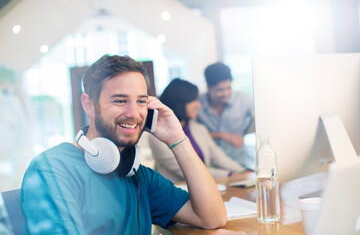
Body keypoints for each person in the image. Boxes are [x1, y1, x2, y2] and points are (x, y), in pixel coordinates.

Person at [20, 55, 227, 234]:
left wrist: (178, 139)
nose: (134, 113)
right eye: (120, 101)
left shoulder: (137, 174)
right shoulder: (51, 169)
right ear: (89, 105)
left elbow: (212, 218)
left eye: (141, 101)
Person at [149, 78, 251, 183]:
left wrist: (243, 171)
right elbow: (188, 170)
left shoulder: (198, 128)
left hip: (204, 187)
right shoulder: (158, 136)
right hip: (176, 193)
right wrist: (230, 174)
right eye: (194, 100)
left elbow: (219, 157)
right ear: (180, 103)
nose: (199, 105)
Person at [197, 62, 255, 169]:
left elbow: (261, 121)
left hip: (241, 163)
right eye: (220, 90)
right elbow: (193, 134)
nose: (226, 93)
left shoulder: (244, 100)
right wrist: (222, 135)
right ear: (208, 87)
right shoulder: (197, 104)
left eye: (228, 88)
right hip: (211, 166)